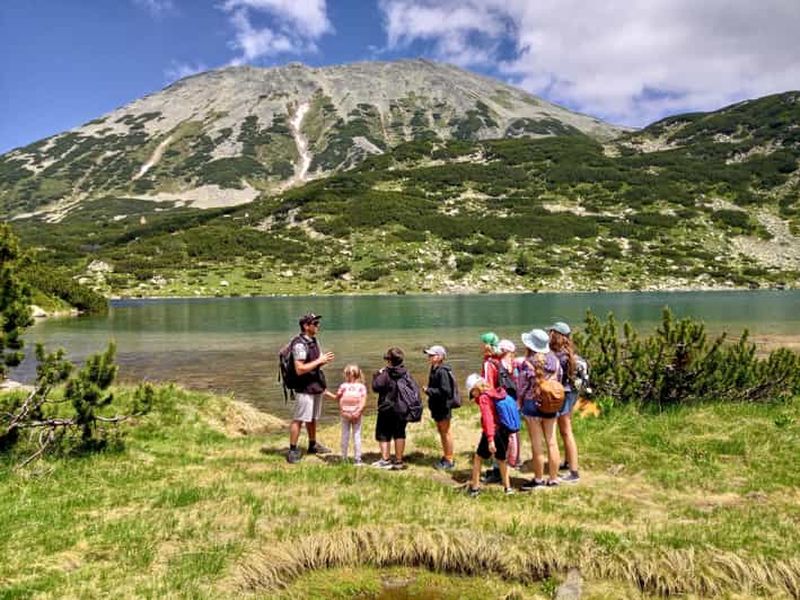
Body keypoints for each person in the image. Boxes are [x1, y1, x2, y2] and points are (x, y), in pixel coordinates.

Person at [286, 313, 335, 464]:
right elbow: (300, 369)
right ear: (306, 326)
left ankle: (312, 444)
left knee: (313, 418)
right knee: (299, 419)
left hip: (315, 386)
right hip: (304, 387)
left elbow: (312, 364)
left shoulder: (313, 340)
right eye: (315, 323)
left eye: (317, 323)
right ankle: (293, 449)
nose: (318, 326)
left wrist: (322, 361)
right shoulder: (299, 344)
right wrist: (320, 360)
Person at [518, 328, 562, 490]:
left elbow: (522, 387)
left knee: (537, 444)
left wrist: (519, 401)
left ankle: (538, 479)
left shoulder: (527, 362)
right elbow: (560, 379)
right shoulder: (555, 360)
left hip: (532, 406)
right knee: (552, 442)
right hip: (551, 404)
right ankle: (554, 478)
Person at [465, 374, 513, 497]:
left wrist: (490, 439)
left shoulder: (484, 398)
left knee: (478, 458)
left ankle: (475, 488)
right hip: (503, 430)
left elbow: (488, 418)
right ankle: (508, 489)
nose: (473, 396)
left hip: (492, 432)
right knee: (502, 459)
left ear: (476, 389)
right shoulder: (494, 391)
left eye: (472, 393)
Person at [372, 346, 412, 470]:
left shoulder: (385, 373)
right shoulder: (406, 373)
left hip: (387, 408)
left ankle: (385, 460)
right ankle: (399, 460)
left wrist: (376, 374)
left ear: (389, 360)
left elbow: (376, 387)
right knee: (400, 433)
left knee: (384, 434)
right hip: (402, 408)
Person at [550, 322, 580, 484]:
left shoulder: (558, 356)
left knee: (566, 432)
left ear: (558, 336)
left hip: (563, 395)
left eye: (552, 332)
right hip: (570, 393)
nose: (550, 335)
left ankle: (574, 472)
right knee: (566, 430)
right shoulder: (567, 354)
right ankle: (569, 462)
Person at [423, 345, 455, 470]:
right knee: (442, 431)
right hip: (437, 406)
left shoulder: (442, 371)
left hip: (443, 406)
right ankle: (446, 456)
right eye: (429, 355)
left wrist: (429, 391)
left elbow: (446, 391)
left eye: (432, 355)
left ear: (440, 357)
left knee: (446, 432)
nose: (429, 357)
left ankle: (449, 459)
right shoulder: (434, 368)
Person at [335, 364, 367, 465]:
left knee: (345, 435)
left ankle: (344, 458)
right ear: (358, 375)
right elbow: (363, 401)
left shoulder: (343, 386)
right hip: (356, 414)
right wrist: (358, 412)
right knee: (357, 435)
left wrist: (343, 412)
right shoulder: (361, 387)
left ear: (346, 375)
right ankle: (357, 459)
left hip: (345, 414)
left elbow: (338, 398)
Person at [498, 339, 521, 470]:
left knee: (509, 430)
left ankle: (511, 459)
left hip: (507, 400)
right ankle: (516, 458)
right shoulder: (516, 364)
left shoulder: (502, 365)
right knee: (515, 429)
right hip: (515, 399)